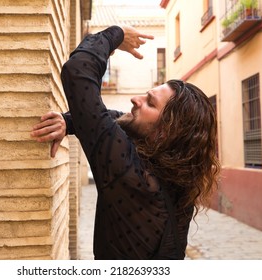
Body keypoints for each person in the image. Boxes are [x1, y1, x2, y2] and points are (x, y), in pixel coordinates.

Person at [31, 26, 220, 259]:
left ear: (165, 134)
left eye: (150, 103)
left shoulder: (130, 173)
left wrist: (115, 34)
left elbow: (78, 71)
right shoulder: (173, 175)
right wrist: (70, 121)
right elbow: (117, 118)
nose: (135, 99)